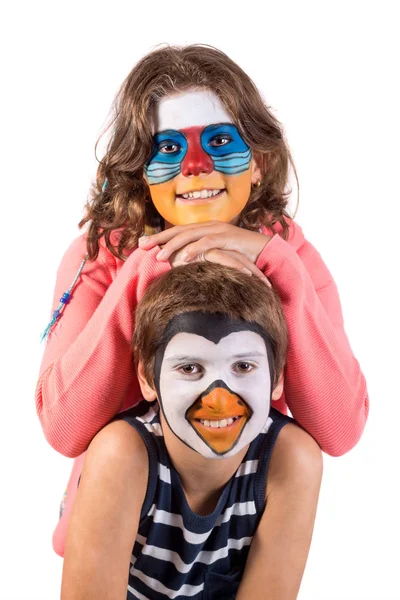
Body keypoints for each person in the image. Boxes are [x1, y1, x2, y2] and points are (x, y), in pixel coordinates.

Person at [36, 44, 369, 557]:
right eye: (167, 150)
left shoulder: (290, 252)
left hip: (243, 533)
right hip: (122, 531)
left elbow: (341, 429)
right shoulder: (101, 253)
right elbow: (63, 428)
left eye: (219, 141)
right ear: (139, 170)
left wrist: (282, 270)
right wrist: (144, 269)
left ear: (257, 162)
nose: (195, 166)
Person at [60, 262, 323, 600]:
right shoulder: (123, 456)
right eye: (189, 368)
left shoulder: (291, 460)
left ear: (277, 378)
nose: (218, 399)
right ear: (146, 377)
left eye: (243, 366)